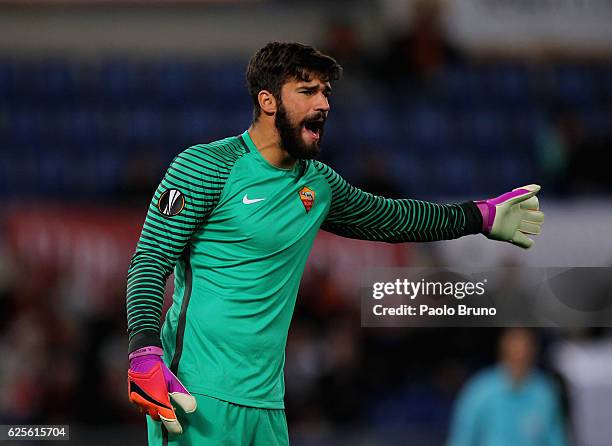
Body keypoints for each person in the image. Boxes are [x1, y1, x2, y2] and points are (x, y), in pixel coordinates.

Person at [125, 42, 545, 445]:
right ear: (268, 101)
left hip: (268, 405)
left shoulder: (318, 184)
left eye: (325, 93)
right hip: (196, 396)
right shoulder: (207, 167)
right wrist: (144, 351)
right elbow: (149, 260)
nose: (323, 104)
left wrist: (480, 216)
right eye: (307, 91)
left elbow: (394, 218)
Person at [447, 328, 569, 446]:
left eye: (525, 348)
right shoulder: (480, 390)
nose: (520, 355)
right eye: (515, 347)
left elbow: (556, 439)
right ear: (503, 348)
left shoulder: (545, 392)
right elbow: (462, 439)